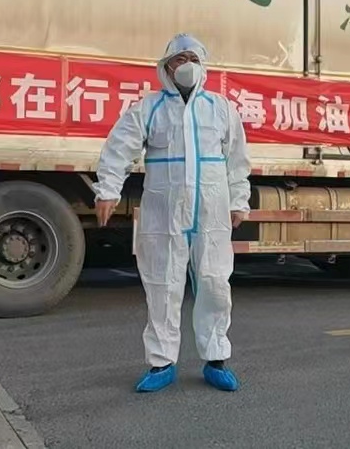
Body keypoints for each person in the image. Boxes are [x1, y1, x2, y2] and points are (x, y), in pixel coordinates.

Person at [93, 33, 252, 393]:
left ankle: (216, 359)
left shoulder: (220, 108)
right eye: (179, 60)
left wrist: (238, 200)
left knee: (215, 284)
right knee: (162, 285)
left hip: (211, 215)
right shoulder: (149, 108)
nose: (186, 66)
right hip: (164, 214)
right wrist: (108, 190)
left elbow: (237, 159)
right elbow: (119, 149)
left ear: (202, 65)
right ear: (166, 68)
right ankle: (161, 363)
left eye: (192, 59)